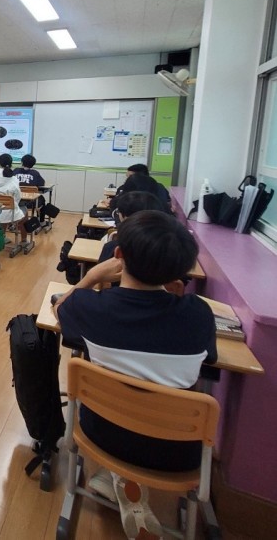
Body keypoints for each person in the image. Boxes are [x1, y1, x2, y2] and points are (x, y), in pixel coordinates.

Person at [54, 211, 216, 539]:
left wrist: (92, 276)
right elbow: (208, 363)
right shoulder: (198, 316)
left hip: (101, 432)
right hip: (177, 451)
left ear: (118, 255)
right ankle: (127, 485)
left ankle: (119, 478)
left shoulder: (90, 308)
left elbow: (59, 308)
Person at [0, 154, 31, 249]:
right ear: (11, 164)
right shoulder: (13, 178)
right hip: (9, 213)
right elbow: (17, 197)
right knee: (24, 212)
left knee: (4, 211)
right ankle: (24, 240)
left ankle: (2, 236)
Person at [13, 154, 48, 224]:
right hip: (32, 203)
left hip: (15, 200)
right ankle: (41, 221)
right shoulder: (35, 173)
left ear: (22, 162)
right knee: (42, 199)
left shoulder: (16, 171)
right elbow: (42, 184)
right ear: (33, 164)